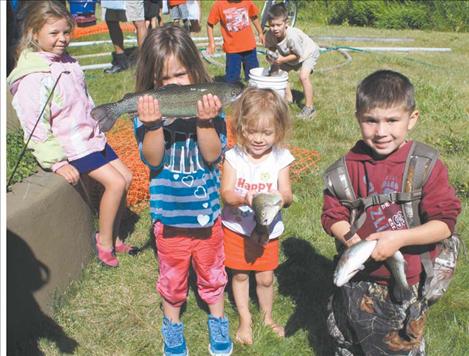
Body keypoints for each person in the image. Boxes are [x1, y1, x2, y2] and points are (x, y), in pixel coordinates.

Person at [321, 70, 461, 355]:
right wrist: (350, 239)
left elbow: (445, 223)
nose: (381, 131)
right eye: (371, 121)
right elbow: (332, 214)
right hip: (359, 277)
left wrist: (398, 239)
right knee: (347, 337)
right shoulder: (347, 167)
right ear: (358, 118)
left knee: (399, 344)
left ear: (412, 119)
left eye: (392, 120)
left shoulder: (425, 165)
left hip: (407, 279)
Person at [7, 1, 135, 268]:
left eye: (66, 32)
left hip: (90, 137)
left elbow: (84, 100)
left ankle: (115, 231)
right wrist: (57, 162)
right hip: (74, 146)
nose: (62, 39)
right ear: (34, 33)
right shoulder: (34, 75)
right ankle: (104, 241)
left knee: (126, 177)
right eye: (54, 33)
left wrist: (97, 123)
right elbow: (35, 126)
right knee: (114, 183)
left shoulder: (68, 62)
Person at [133, 25, 233, 356]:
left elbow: (211, 156)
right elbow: (153, 159)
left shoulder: (212, 110)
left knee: (213, 272)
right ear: (152, 82)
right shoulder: (147, 112)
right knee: (172, 278)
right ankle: (172, 324)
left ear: (196, 71)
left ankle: (217, 318)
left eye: (181, 73)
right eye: (164, 79)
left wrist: (205, 123)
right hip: (169, 218)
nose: (174, 83)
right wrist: (151, 127)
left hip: (206, 216)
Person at [221, 87, 294, 344]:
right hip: (236, 228)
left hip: (268, 230)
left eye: (267, 132)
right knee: (239, 274)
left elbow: (287, 194)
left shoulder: (281, 158)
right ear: (240, 128)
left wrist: (275, 199)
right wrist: (246, 199)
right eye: (252, 131)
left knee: (265, 277)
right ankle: (245, 319)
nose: (259, 139)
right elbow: (226, 193)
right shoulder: (233, 157)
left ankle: (266, 317)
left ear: (279, 131)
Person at [265, 3, 320, 120]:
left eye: (278, 25)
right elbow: (271, 48)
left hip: (307, 53)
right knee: (276, 71)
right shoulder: (269, 35)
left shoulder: (292, 37)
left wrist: (281, 59)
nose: (275, 28)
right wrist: (271, 56)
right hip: (290, 55)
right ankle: (288, 98)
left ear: (286, 23)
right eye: (272, 25)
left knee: (303, 77)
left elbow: (297, 55)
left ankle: (310, 108)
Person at [207, 0, 265, 84]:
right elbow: (210, 24)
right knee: (232, 78)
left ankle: (253, 94)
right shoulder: (219, 4)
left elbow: (253, 16)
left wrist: (260, 33)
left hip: (249, 47)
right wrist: (211, 43)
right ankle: (233, 95)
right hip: (232, 50)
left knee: (254, 77)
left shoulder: (247, 2)